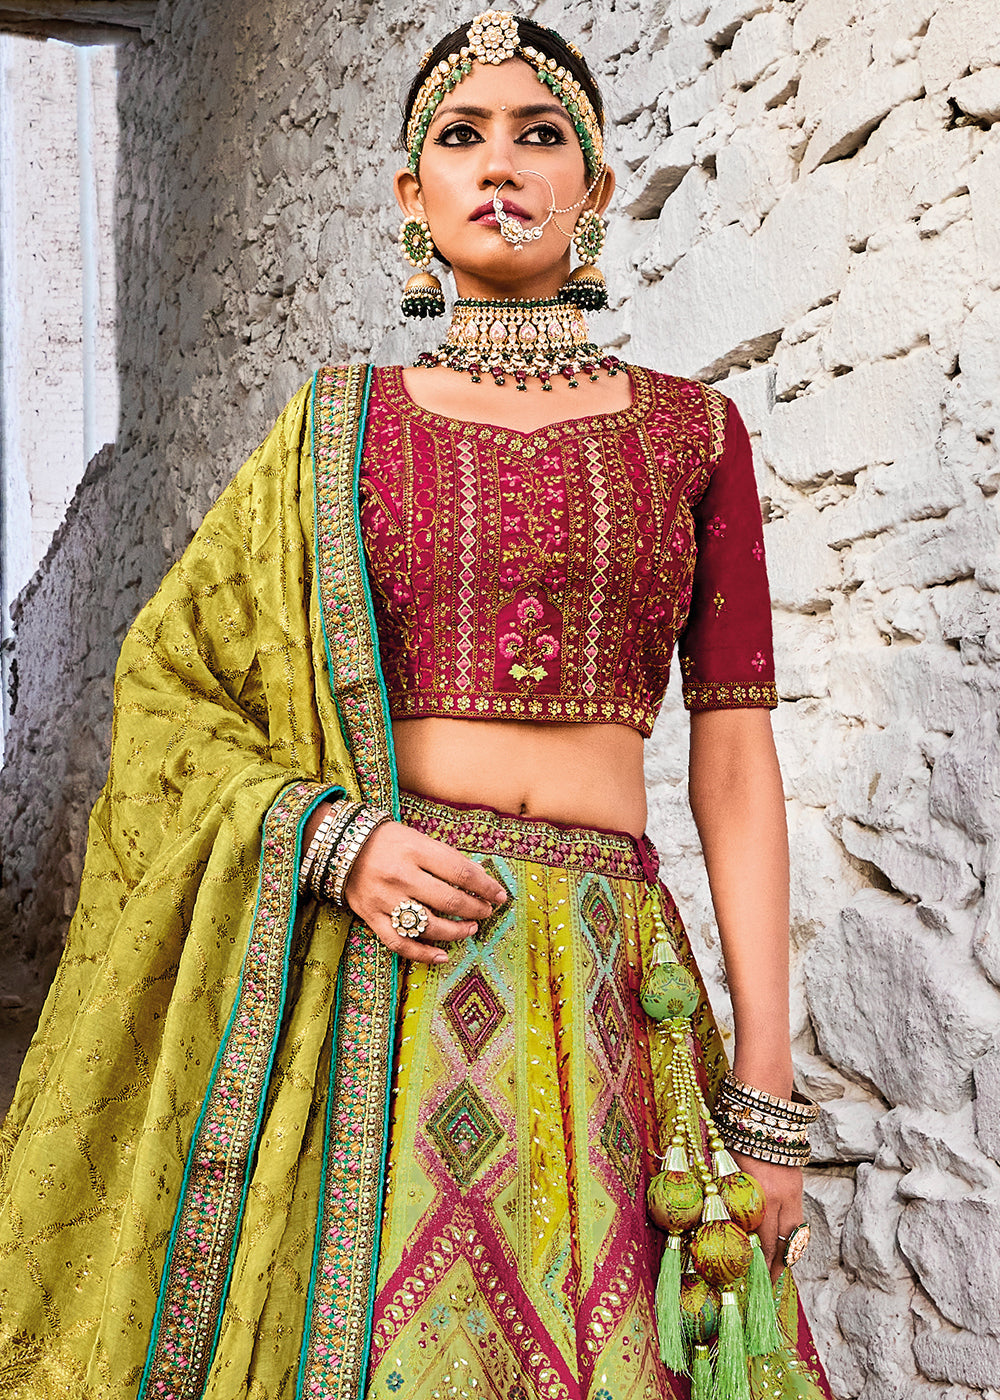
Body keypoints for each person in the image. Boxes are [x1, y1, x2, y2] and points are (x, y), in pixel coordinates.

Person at [0, 11, 833, 1400]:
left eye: (539, 134)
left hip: (613, 985)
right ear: (412, 192)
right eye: (461, 136)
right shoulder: (339, 428)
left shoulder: (695, 433)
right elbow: (170, 685)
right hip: (388, 963)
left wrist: (764, 1086)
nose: (500, 163)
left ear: (595, 187)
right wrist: (337, 843)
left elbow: (736, 759)